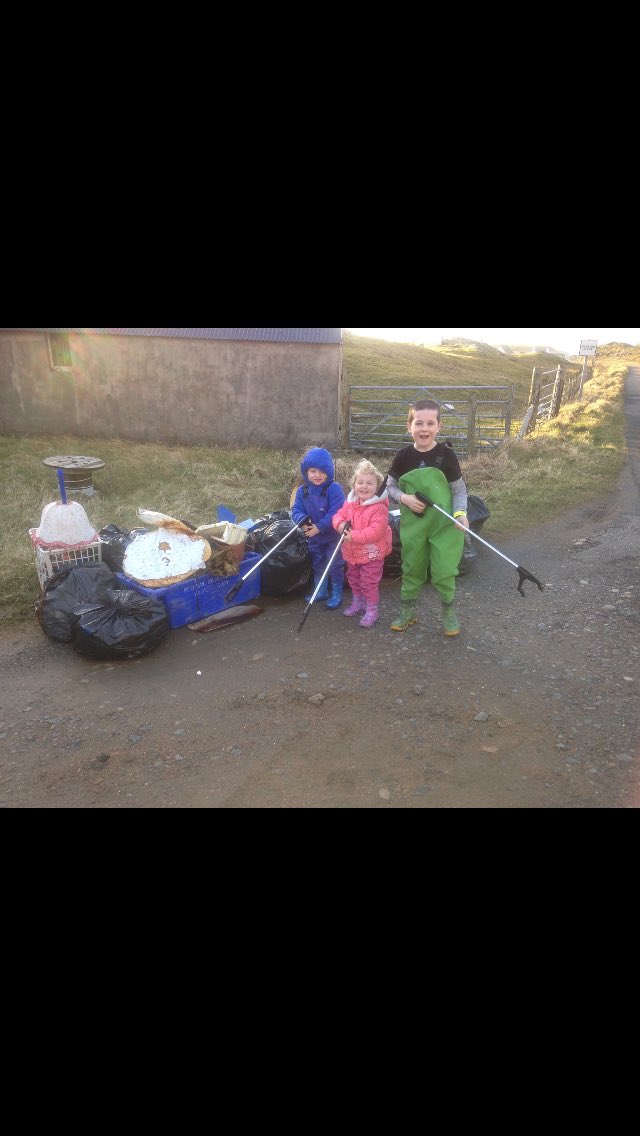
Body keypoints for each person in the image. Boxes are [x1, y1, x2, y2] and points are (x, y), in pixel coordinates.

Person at [385, 399, 469, 636]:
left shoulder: (447, 456)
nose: (424, 429)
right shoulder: (402, 457)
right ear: (409, 426)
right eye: (419, 423)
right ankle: (407, 612)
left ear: (439, 426)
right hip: (414, 526)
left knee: (444, 570)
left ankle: (449, 613)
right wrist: (405, 498)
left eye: (430, 423)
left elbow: (459, 490)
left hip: (445, 526)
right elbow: (390, 488)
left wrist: (460, 514)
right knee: (412, 567)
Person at [332, 459, 392, 628]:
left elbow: (376, 531)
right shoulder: (350, 503)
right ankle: (358, 602)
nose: (364, 486)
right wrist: (340, 525)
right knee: (353, 579)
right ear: (354, 484)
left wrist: (354, 536)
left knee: (368, 583)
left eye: (369, 483)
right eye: (360, 482)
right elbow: (338, 516)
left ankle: (372, 609)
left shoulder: (379, 508)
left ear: (377, 487)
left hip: (372, 554)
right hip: (352, 553)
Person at [291, 446, 346, 608]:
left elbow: (336, 511)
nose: (317, 475)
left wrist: (320, 527)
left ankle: (336, 593)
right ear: (306, 472)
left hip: (332, 536)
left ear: (329, 473)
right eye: (313, 471)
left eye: (322, 471)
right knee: (318, 563)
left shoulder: (334, 489)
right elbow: (296, 510)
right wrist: (303, 522)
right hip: (313, 536)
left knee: (334, 564)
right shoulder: (302, 491)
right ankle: (320, 591)